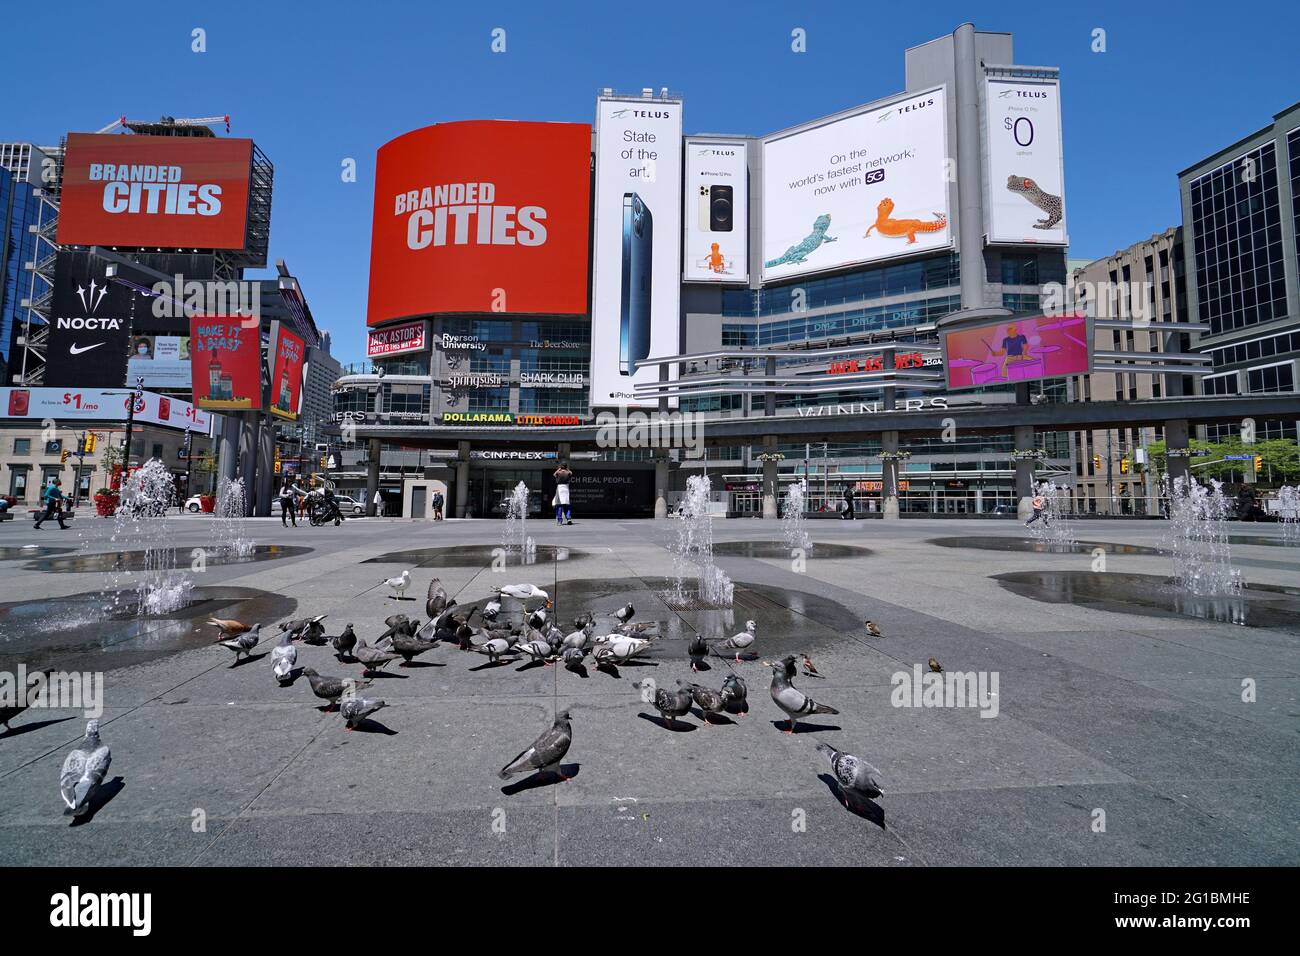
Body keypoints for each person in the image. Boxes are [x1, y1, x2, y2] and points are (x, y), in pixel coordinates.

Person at [553, 461, 573, 525]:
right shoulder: (568, 473)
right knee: (567, 504)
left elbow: (554, 474)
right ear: (566, 467)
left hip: (559, 488)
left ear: (561, 467)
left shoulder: (558, 472)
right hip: (566, 488)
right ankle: (569, 518)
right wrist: (567, 469)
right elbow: (571, 473)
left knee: (559, 505)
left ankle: (559, 521)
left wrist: (559, 469)